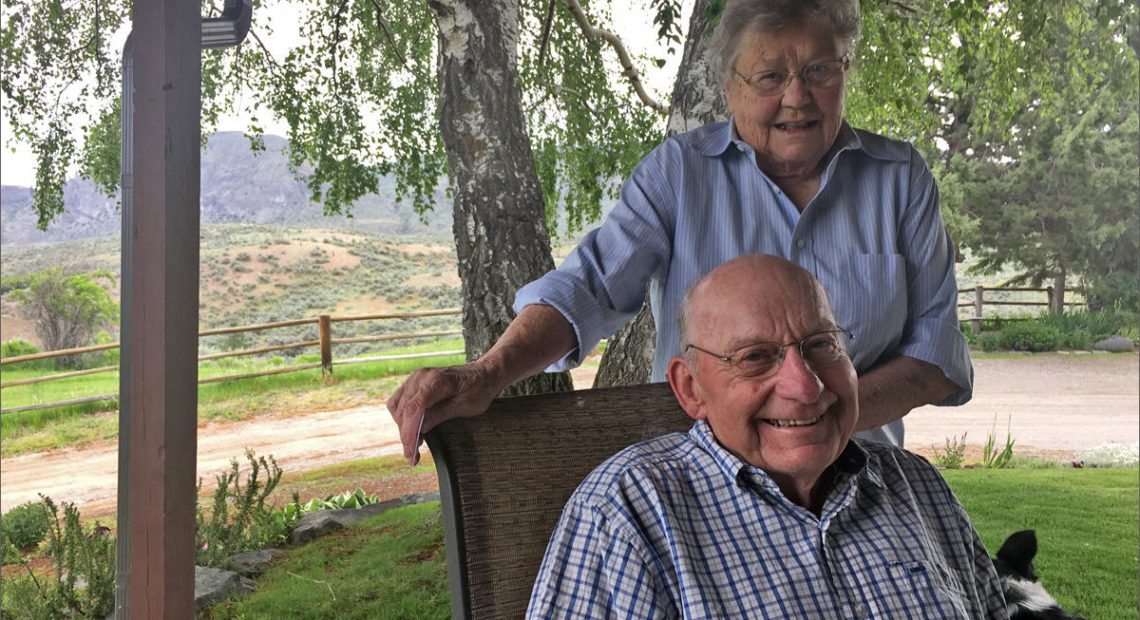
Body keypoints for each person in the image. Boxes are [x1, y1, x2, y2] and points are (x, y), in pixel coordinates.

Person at [387, 0, 971, 465]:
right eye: (770, 76)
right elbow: (591, 286)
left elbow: (934, 355)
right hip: (703, 474)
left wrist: (814, 421)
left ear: (846, 71)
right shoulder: (679, 172)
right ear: (729, 86)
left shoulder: (900, 179)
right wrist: (487, 372)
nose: (796, 96)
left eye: (819, 70)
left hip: (859, 471)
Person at [527, 255, 1007, 618]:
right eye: (755, 356)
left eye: (821, 345)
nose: (806, 386)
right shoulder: (627, 511)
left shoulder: (915, 485)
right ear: (690, 389)